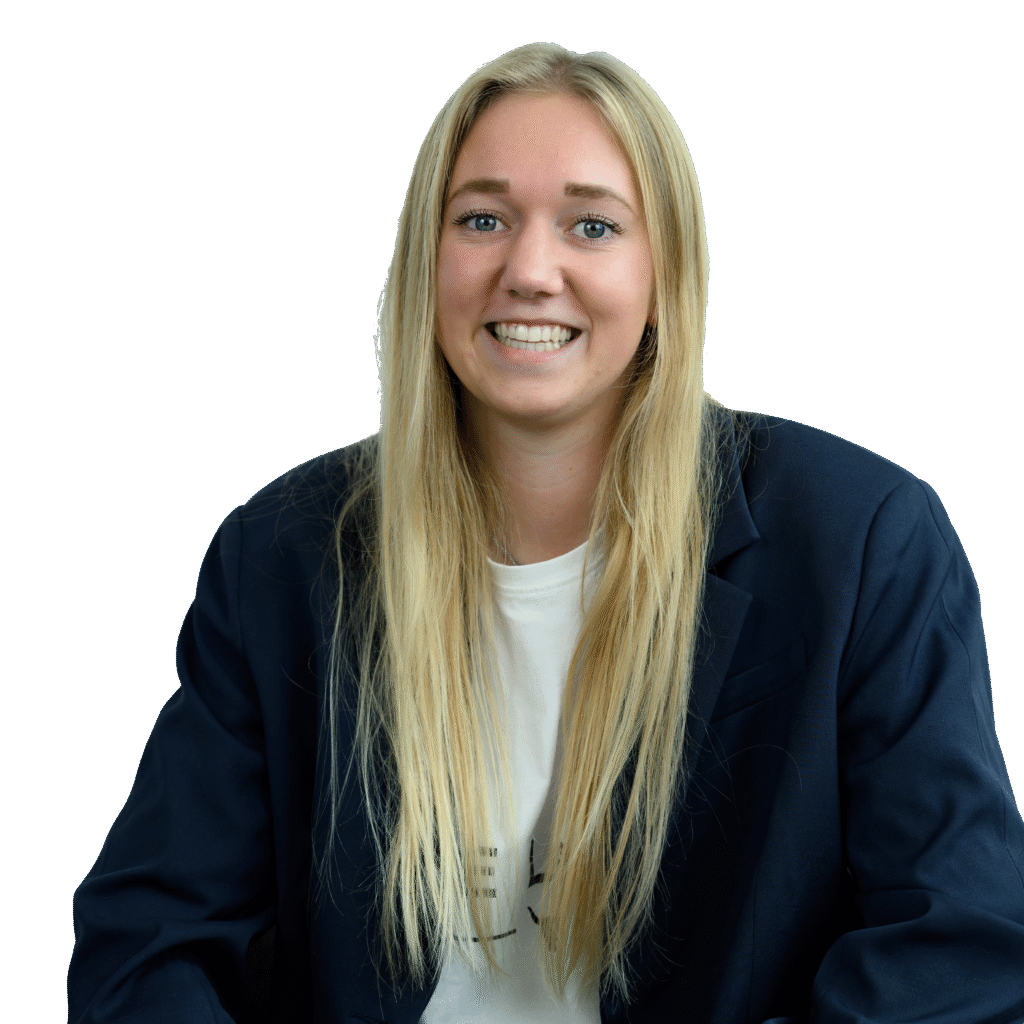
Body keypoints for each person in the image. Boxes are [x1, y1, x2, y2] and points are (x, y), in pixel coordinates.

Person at [68, 42, 1024, 1024]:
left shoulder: (861, 542)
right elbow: (142, 950)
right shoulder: (280, 556)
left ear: (666, 274)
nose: (529, 271)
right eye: (481, 219)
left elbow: (964, 946)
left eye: (591, 225)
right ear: (426, 260)